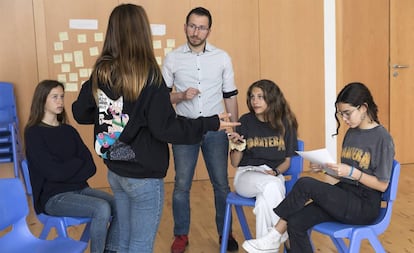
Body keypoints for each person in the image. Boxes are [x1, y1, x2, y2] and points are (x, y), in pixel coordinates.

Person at [71, 4, 239, 253]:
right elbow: (165, 128)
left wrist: (111, 107)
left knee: (125, 238)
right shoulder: (148, 74)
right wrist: (211, 122)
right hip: (142, 175)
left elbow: (80, 112)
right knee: (139, 244)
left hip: (115, 169)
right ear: (141, 32)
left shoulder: (102, 71)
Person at [241, 82, 395, 253]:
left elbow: (382, 185)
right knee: (296, 222)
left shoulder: (382, 138)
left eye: (347, 113)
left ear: (364, 108)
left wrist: (353, 172)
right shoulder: (352, 132)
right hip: (345, 196)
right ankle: (275, 235)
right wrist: (325, 169)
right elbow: (346, 176)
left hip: (364, 206)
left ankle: (274, 235)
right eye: (341, 114)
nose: (344, 119)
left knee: (305, 183)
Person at [161, 6, 239, 253]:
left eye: (201, 27)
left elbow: (230, 96)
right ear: (185, 27)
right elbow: (162, 99)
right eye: (192, 26)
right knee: (182, 184)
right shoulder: (172, 58)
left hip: (216, 129)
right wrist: (182, 96)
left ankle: (225, 233)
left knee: (221, 185)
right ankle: (180, 235)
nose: (196, 32)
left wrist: (234, 128)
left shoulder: (222, 57)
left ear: (209, 30)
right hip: (184, 128)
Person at [24, 80, 119, 253]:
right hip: (53, 198)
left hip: (80, 190)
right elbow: (53, 173)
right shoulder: (33, 133)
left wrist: (64, 169)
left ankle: (110, 250)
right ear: (42, 100)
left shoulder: (69, 131)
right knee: (101, 208)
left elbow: (91, 167)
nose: (60, 101)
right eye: (55, 97)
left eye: (61, 97)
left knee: (119, 205)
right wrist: (76, 164)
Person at [228, 79, 298, 240]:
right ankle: (287, 239)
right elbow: (234, 163)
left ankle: (266, 245)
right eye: (252, 97)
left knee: (263, 204)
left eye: (260, 96)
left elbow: (287, 161)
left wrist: (275, 172)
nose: (255, 101)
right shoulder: (245, 121)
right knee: (272, 185)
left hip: (273, 174)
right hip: (247, 175)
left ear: (272, 99)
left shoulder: (286, 124)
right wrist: (237, 146)